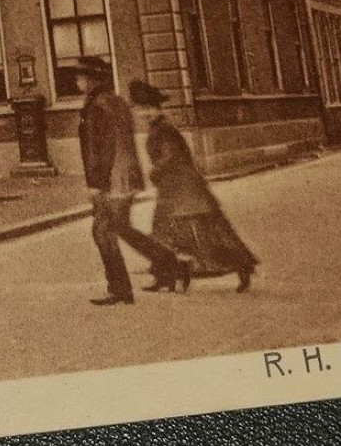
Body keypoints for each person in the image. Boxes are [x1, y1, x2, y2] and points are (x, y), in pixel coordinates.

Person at [129, 79, 259, 292]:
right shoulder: (158, 128)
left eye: (149, 109)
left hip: (184, 186)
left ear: (158, 108)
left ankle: (240, 264)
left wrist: (155, 172)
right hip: (174, 188)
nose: (145, 113)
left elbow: (171, 157)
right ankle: (166, 276)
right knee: (166, 232)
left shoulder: (164, 129)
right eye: (141, 109)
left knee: (203, 232)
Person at [77, 56, 187, 305]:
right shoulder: (116, 102)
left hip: (112, 180)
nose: (77, 81)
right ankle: (170, 264)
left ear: (90, 79)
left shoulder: (96, 106)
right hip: (127, 176)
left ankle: (119, 288)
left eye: (80, 77)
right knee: (121, 228)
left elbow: (101, 148)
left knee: (102, 231)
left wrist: (97, 182)